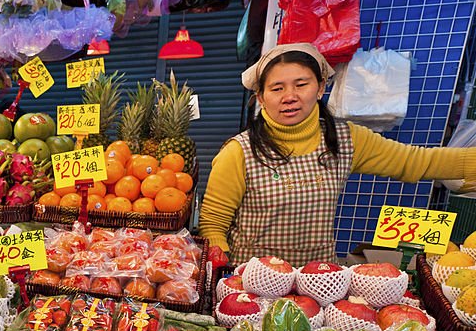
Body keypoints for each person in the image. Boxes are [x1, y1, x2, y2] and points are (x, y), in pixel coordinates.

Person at [199, 42, 476, 265]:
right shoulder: (240, 151)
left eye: (301, 84)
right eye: (277, 88)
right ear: (261, 97)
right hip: (253, 282)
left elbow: (415, 161)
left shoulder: (347, 139)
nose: (289, 96)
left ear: (320, 87)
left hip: (319, 281)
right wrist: (225, 268)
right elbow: (213, 223)